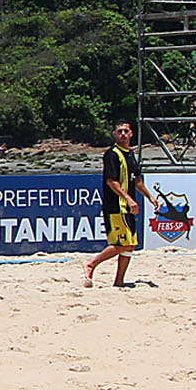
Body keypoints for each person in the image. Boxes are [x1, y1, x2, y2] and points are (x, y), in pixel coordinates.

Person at [84, 121, 161, 288]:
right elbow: (111, 181)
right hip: (116, 206)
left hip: (127, 206)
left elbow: (137, 180)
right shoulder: (112, 154)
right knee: (123, 244)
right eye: (120, 131)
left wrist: (150, 197)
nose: (123, 134)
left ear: (131, 133)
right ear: (115, 134)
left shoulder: (131, 154)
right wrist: (128, 199)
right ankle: (91, 264)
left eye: (126, 131)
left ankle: (119, 281)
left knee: (130, 245)